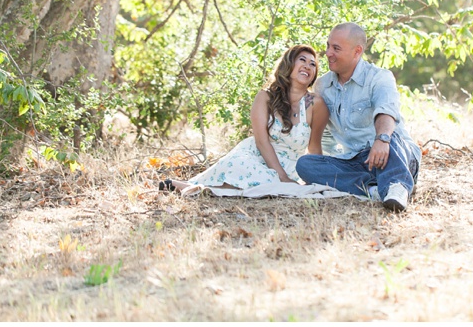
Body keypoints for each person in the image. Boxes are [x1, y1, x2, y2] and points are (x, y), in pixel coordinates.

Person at [160, 45, 329, 193]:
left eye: (312, 64)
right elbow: (262, 142)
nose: (308, 66)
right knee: (243, 168)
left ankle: (199, 188)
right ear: (289, 63)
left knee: (272, 184)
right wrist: (282, 176)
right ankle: (194, 187)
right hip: (258, 156)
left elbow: (314, 148)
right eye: (302, 60)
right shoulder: (265, 97)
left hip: (292, 165)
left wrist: (315, 178)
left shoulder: (315, 104)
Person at [295, 23, 420, 212]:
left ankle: (397, 187)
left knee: (391, 135)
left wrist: (382, 139)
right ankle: (373, 189)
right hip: (358, 161)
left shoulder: (379, 77)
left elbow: (387, 111)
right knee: (305, 164)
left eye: (336, 48)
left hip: (394, 152)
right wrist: (325, 166)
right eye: (328, 46)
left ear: (357, 51)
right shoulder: (323, 85)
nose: (328, 53)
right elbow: (326, 133)